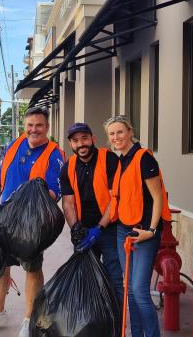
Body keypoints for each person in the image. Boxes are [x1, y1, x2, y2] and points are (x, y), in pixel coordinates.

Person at [0, 107, 64, 337]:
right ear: (25, 125)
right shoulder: (15, 145)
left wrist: (33, 198)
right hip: (3, 217)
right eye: (30, 125)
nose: (34, 129)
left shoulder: (54, 153)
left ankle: (29, 318)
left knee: (31, 268)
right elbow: (4, 177)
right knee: (0, 266)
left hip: (30, 223)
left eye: (39, 126)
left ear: (47, 128)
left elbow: (56, 191)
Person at [104, 115, 171, 337]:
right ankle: (137, 334)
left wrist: (151, 230)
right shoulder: (121, 159)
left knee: (140, 290)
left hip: (144, 231)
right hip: (125, 230)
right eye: (112, 134)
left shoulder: (144, 158)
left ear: (130, 131)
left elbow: (158, 197)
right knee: (129, 290)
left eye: (120, 132)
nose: (116, 137)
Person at [59, 122, 123, 305]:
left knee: (115, 279)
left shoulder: (109, 159)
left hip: (109, 229)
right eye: (75, 141)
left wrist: (100, 228)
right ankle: (93, 323)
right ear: (71, 144)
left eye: (84, 138)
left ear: (93, 139)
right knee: (85, 280)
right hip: (84, 232)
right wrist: (76, 229)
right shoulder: (68, 167)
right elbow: (68, 202)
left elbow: (115, 199)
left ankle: (116, 327)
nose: (81, 144)